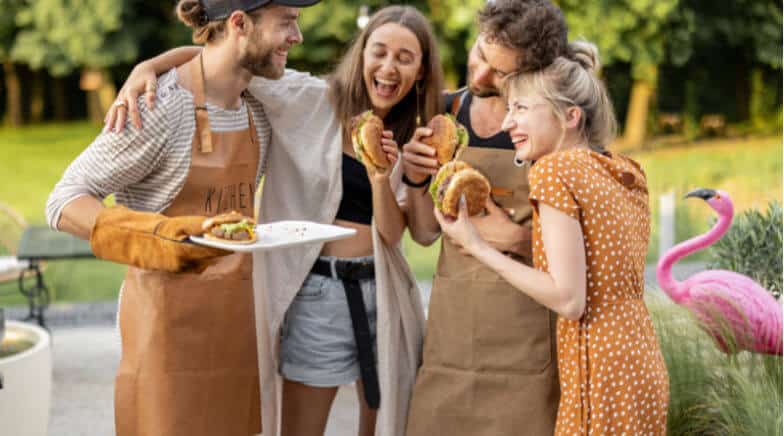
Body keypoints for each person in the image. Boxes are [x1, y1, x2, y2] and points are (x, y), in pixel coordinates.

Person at [106, 6, 443, 436]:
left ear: (420, 71)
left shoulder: (415, 133)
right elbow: (223, 56)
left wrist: (381, 175)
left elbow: (394, 235)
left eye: (405, 58)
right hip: (320, 292)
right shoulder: (308, 99)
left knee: (384, 426)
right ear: (360, 56)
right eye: (379, 52)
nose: (389, 67)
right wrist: (148, 67)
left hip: (384, 295)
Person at [44, 1, 320, 435]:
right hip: (166, 339)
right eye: (287, 23)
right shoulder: (159, 106)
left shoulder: (262, 103)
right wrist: (158, 236)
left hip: (237, 332)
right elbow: (64, 200)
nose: (297, 37)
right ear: (239, 23)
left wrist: (152, 61)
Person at [436, 41, 670, 435]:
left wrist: (477, 245)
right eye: (509, 108)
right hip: (641, 359)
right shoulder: (624, 169)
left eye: (522, 109)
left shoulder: (554, 170)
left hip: (600, 366)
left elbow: (569, 298)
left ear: (570, 116)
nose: (509, 122)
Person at [399, 1, 569, 434]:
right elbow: (422, 233)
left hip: (528, 349)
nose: (478, 77)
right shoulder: (445, 116)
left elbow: (584, 258)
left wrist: (512, 238)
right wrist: (416, 178)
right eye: (480, 54)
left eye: (500, 73)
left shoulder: (559, 133)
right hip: (451, 344)